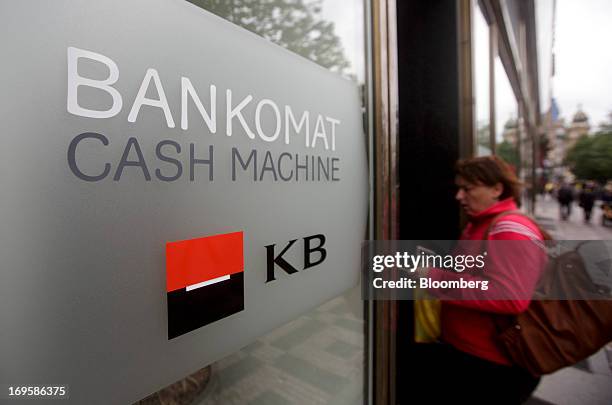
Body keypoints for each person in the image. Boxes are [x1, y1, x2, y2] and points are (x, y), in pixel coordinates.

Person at [404, 156, 547, 405]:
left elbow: (509, 296)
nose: (459, 196)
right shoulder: (480, 224)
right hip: (468, 351)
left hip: (491, 366)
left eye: (468, 189)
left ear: (497, 189)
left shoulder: (509, 228)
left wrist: (433, 277)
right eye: (459, 188)